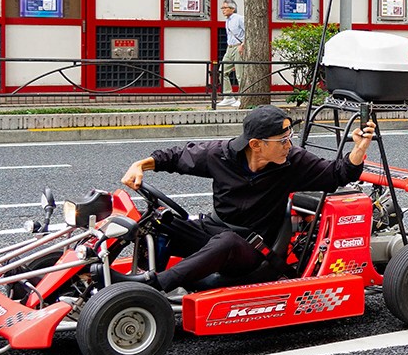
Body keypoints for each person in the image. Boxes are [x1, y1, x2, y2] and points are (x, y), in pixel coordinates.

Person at [119, 104, 375, 292]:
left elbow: (336, 174)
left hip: (254, 249)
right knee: (158, 220)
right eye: (283, 139)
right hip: (216, 230)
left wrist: (359, 149)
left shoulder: (292, 162)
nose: (289, 144)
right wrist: (139, 165)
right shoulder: (220, 155)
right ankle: (120, 272)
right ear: (255, 144)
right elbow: (174, 157)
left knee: (227, 242)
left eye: (290, 137)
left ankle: (152, 287)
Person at [219, 0, 245, 106]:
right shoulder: (227, 20)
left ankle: (242, 98)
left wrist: (243, 45)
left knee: (240, 74)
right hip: (229, 48)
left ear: (232, 9)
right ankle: (228, 96)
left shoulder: (239, 18)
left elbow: (249, 31)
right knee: (222, 71)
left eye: (225, 8)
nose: (223, 10)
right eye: (222, 8)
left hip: (238, 47)